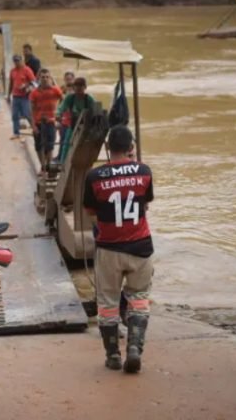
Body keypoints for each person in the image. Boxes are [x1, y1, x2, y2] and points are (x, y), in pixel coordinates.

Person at [84, 125, 154, 373]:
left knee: (108, 303)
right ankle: (135, 347)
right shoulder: (144, 172)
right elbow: (145, 204)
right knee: (138, 299)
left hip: (109, 249)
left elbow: (90, 212)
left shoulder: (94, 177)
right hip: (141, 247)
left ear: (107, 148)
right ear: (131, 148)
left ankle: (113, 354)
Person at [29, 69, 63, 174]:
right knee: (39, 146)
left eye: (47, 77)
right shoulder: (34, 93)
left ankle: (49, 166)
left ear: (50, 78)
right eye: (43, 77)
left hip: (51, 122)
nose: (45, 79)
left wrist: (58, 112)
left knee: (50, 146)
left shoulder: (55, 90)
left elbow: (64, 100)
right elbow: (31, 110)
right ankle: (43, 166)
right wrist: (33, 126)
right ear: (39, 78)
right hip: (38, 122)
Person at [56, 76, 96, 163]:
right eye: (76, 87)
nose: (78, 90)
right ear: (74, 88)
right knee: (66, 144)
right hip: (73, 125)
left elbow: (98, 112)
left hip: (86, 126)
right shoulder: (70, 98)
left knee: (85, 146)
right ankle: (63, 163)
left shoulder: (89, 99)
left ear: (85, 87)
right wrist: (58, 114)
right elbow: (61, 107)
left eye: (81, 87)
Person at [7, 54, 36, 140]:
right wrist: (9, 95)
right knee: (15, 115)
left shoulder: (27, 70)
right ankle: (16, 133)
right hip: (15, 96)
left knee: (27, 114)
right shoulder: (12, 71)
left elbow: (34, 82)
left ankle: (34, 129)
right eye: (15, 61)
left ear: (22, 60)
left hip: (25, 97)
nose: (17, 63)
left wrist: (25, 85)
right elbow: (11, 83)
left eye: (18, 61)